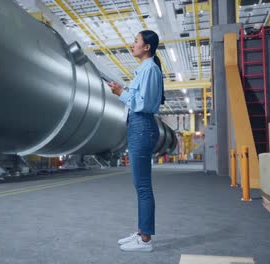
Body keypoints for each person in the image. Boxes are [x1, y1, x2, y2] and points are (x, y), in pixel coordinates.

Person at [108, 30, 164, 252]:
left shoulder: (150, 68)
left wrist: (121, 92)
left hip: (142, 127)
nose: (132, 45)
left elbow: (144, 103)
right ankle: (142, 232)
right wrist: (122, 91)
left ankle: (145, 240)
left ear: (147, 47)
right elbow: (138, 99)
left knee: (143, 187)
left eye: (136, 41)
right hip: (137, 127)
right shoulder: (144, 70)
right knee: (139, 186)